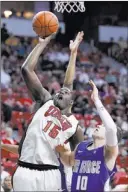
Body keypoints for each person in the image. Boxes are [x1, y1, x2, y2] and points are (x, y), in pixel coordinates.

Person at [12, 31, 84, 191]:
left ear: (71, 102)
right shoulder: (46, 101)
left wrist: (66, 156)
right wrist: (42, 43)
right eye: (59, 91)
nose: (60, 92)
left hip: (51, 173)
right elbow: (26, 70)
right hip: (25, 170)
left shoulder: (75, 128)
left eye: (65, 92)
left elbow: (78, 161)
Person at [57, 80, 119, 192]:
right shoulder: (81, 147)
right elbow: (68, 161)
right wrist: (61, 148)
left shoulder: (108, 153)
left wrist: (96, 100)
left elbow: (112, 129)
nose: (99, 125)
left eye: (103, 125)